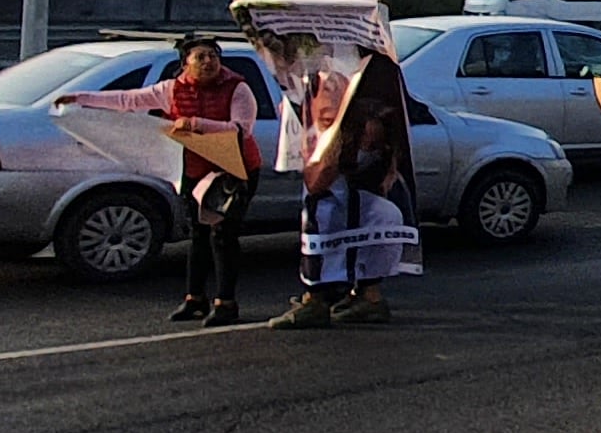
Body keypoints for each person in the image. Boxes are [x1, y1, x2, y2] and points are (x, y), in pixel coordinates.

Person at [70, 36, 266, 326]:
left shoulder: (238, 88)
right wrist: (80, 99)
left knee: (223, 235)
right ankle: (194, 299)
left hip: (234, 169)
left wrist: (196, 124)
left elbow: (241, 130)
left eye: (213, 56)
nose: (209, 62)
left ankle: (226, 302)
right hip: (194, 171)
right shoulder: (172, 89)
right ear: (185, 63)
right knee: (198, 235)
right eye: (201, 57)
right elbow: (128, 100)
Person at [274, 34, 418, 328]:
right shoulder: (320, 77)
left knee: (339, 221)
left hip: (349, 185)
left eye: (335, 87)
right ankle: (363, 297)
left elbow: (325, 177)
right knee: (329, 219)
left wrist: (340, 146)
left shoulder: (369, 95)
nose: (328, 90)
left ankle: (322, 301)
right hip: (338, 180)